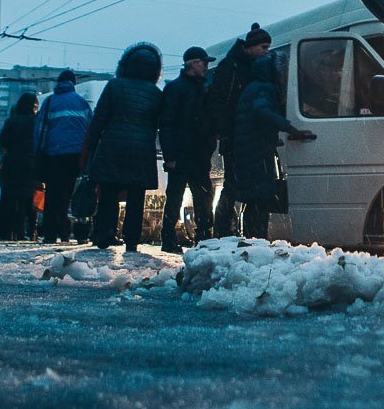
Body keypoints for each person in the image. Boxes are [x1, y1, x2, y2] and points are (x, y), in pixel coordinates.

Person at [84, 43, 163, 252]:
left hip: (112, 147)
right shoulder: (156, 93)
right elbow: (160, 125)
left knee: (109, 194)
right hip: (141, 150)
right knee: (137, 197)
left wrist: (90, 147)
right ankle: (131, 240)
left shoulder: (114, 86)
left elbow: (99, 119)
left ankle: (104, 234)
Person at [231, 52, 313, 239]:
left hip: (247, 151)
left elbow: (251, 121)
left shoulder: (251, 88)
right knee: (262, 197)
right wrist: (289, 128)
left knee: (252, 199)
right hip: (257, 153)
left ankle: (251, 238)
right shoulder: (265, 88)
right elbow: (261, 111)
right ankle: (258, 239)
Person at [206, 22, 272, 237]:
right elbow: (218, 101)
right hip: (235, 137)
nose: (266, 52)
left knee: (249, 186)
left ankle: (246, 231)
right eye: (263, 47)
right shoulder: (231, 67)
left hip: (250, 137)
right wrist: (226, 130)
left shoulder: (249, 66)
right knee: (233, 185)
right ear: (250, 47)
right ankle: (222, 230)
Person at [159, 46, 218, 254]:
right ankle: (170, 238)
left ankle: (201, 236)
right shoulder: (178, 89)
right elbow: (166, 124)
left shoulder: (194, 88)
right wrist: (170, 156)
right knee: (183, 197)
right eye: (204, 62)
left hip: (198, 154)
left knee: (200, 196)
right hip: (185, 154)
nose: (206, 66)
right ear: (193, 64)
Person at [34, 69, 93, 244]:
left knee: (53, 193)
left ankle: (51, 233)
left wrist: (38, 152)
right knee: (70, 193)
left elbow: (40, 130)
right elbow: (91, 128)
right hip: (76, 156)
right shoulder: (82, 103)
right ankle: (71, 231)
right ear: (73, 83)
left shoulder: (51, 101)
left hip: (54, 155)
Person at [0, 93, 38, 241]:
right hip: (30, 165)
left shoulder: (11, 121)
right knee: (27, 200)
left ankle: (5, 232)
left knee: (9, 200)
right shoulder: (35, 122)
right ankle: (25, 232)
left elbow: (3, 141)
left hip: (12, 165)